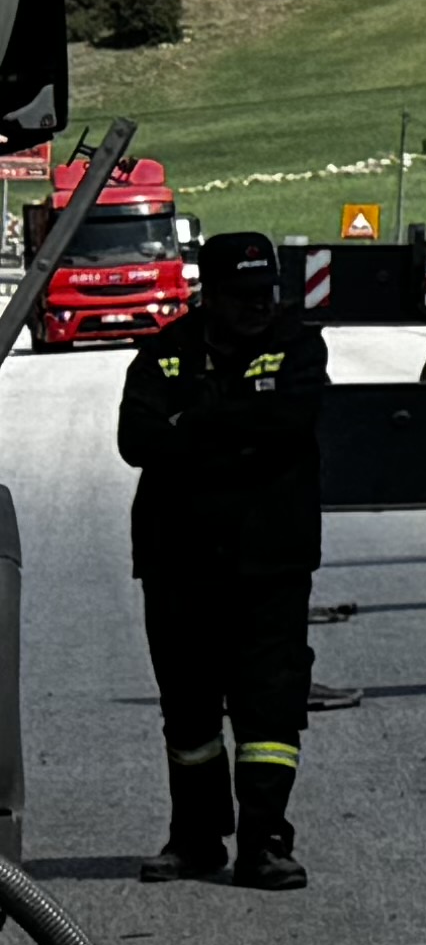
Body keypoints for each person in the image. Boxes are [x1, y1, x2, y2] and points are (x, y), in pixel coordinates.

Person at [117, 228, 327, 887]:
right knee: (189, 709)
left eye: (264, 291)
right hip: (177, 560)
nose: (256, 306)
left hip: (270, 560)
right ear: (210, 295)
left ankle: (266, 841)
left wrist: (195, 425)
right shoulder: (165, 352)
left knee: (269, 707)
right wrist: (233, 426)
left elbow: (287, 424)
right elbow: (135, 438)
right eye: (240, 296)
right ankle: (196, 838)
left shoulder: (297, 345)